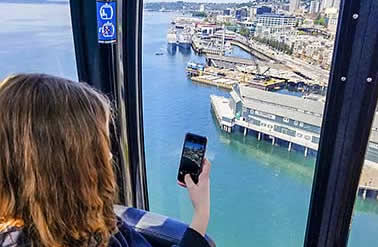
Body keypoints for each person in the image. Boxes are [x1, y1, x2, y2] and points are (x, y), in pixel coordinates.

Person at [0, 74, 212, 247]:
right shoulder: (103, 237)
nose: (109, 156)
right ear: (75, 168)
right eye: (100, 147)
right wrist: (201, 211)